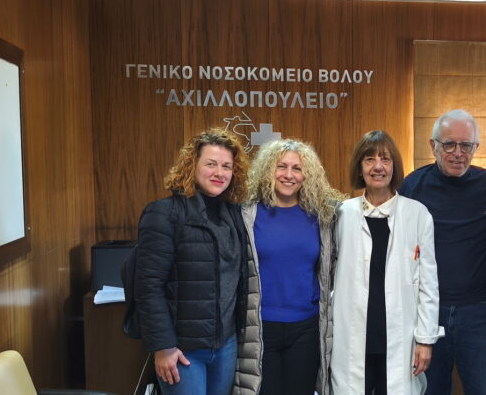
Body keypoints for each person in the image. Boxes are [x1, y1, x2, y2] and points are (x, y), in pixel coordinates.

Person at [133, 129, 250, 395]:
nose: (219, 173)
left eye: (226, 166)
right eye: (211, 164)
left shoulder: (234, 215)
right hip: (182, 350)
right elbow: (148, 285)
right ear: (192, 165)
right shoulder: (164, 213)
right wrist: (163, 346)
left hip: (226, 345)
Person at [332, 130, 441, 395]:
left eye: (385, 159)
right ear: (360, 167)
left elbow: (428, 284)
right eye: (369, 159)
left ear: (395, 166)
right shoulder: (343, 213)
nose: (378, 166)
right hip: (352, 337)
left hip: (400, 339)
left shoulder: (417, 214)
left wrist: (425, 340)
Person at [399, 109, 486, 395]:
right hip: (428, 311)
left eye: (466, 145)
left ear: (476, 147)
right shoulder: (413, 185)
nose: (458, 153)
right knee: (430, 390)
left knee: (482, 389)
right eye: (449, 144)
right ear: (433, 146)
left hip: (479, 312)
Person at [236, 139, 344, 395]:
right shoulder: (247, 214)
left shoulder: (322, 216)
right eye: (281, 166)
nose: (289, 175)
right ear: (268, 170)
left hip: (306, 328)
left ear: (307, 175)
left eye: (297, 168)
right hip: (261, 327)